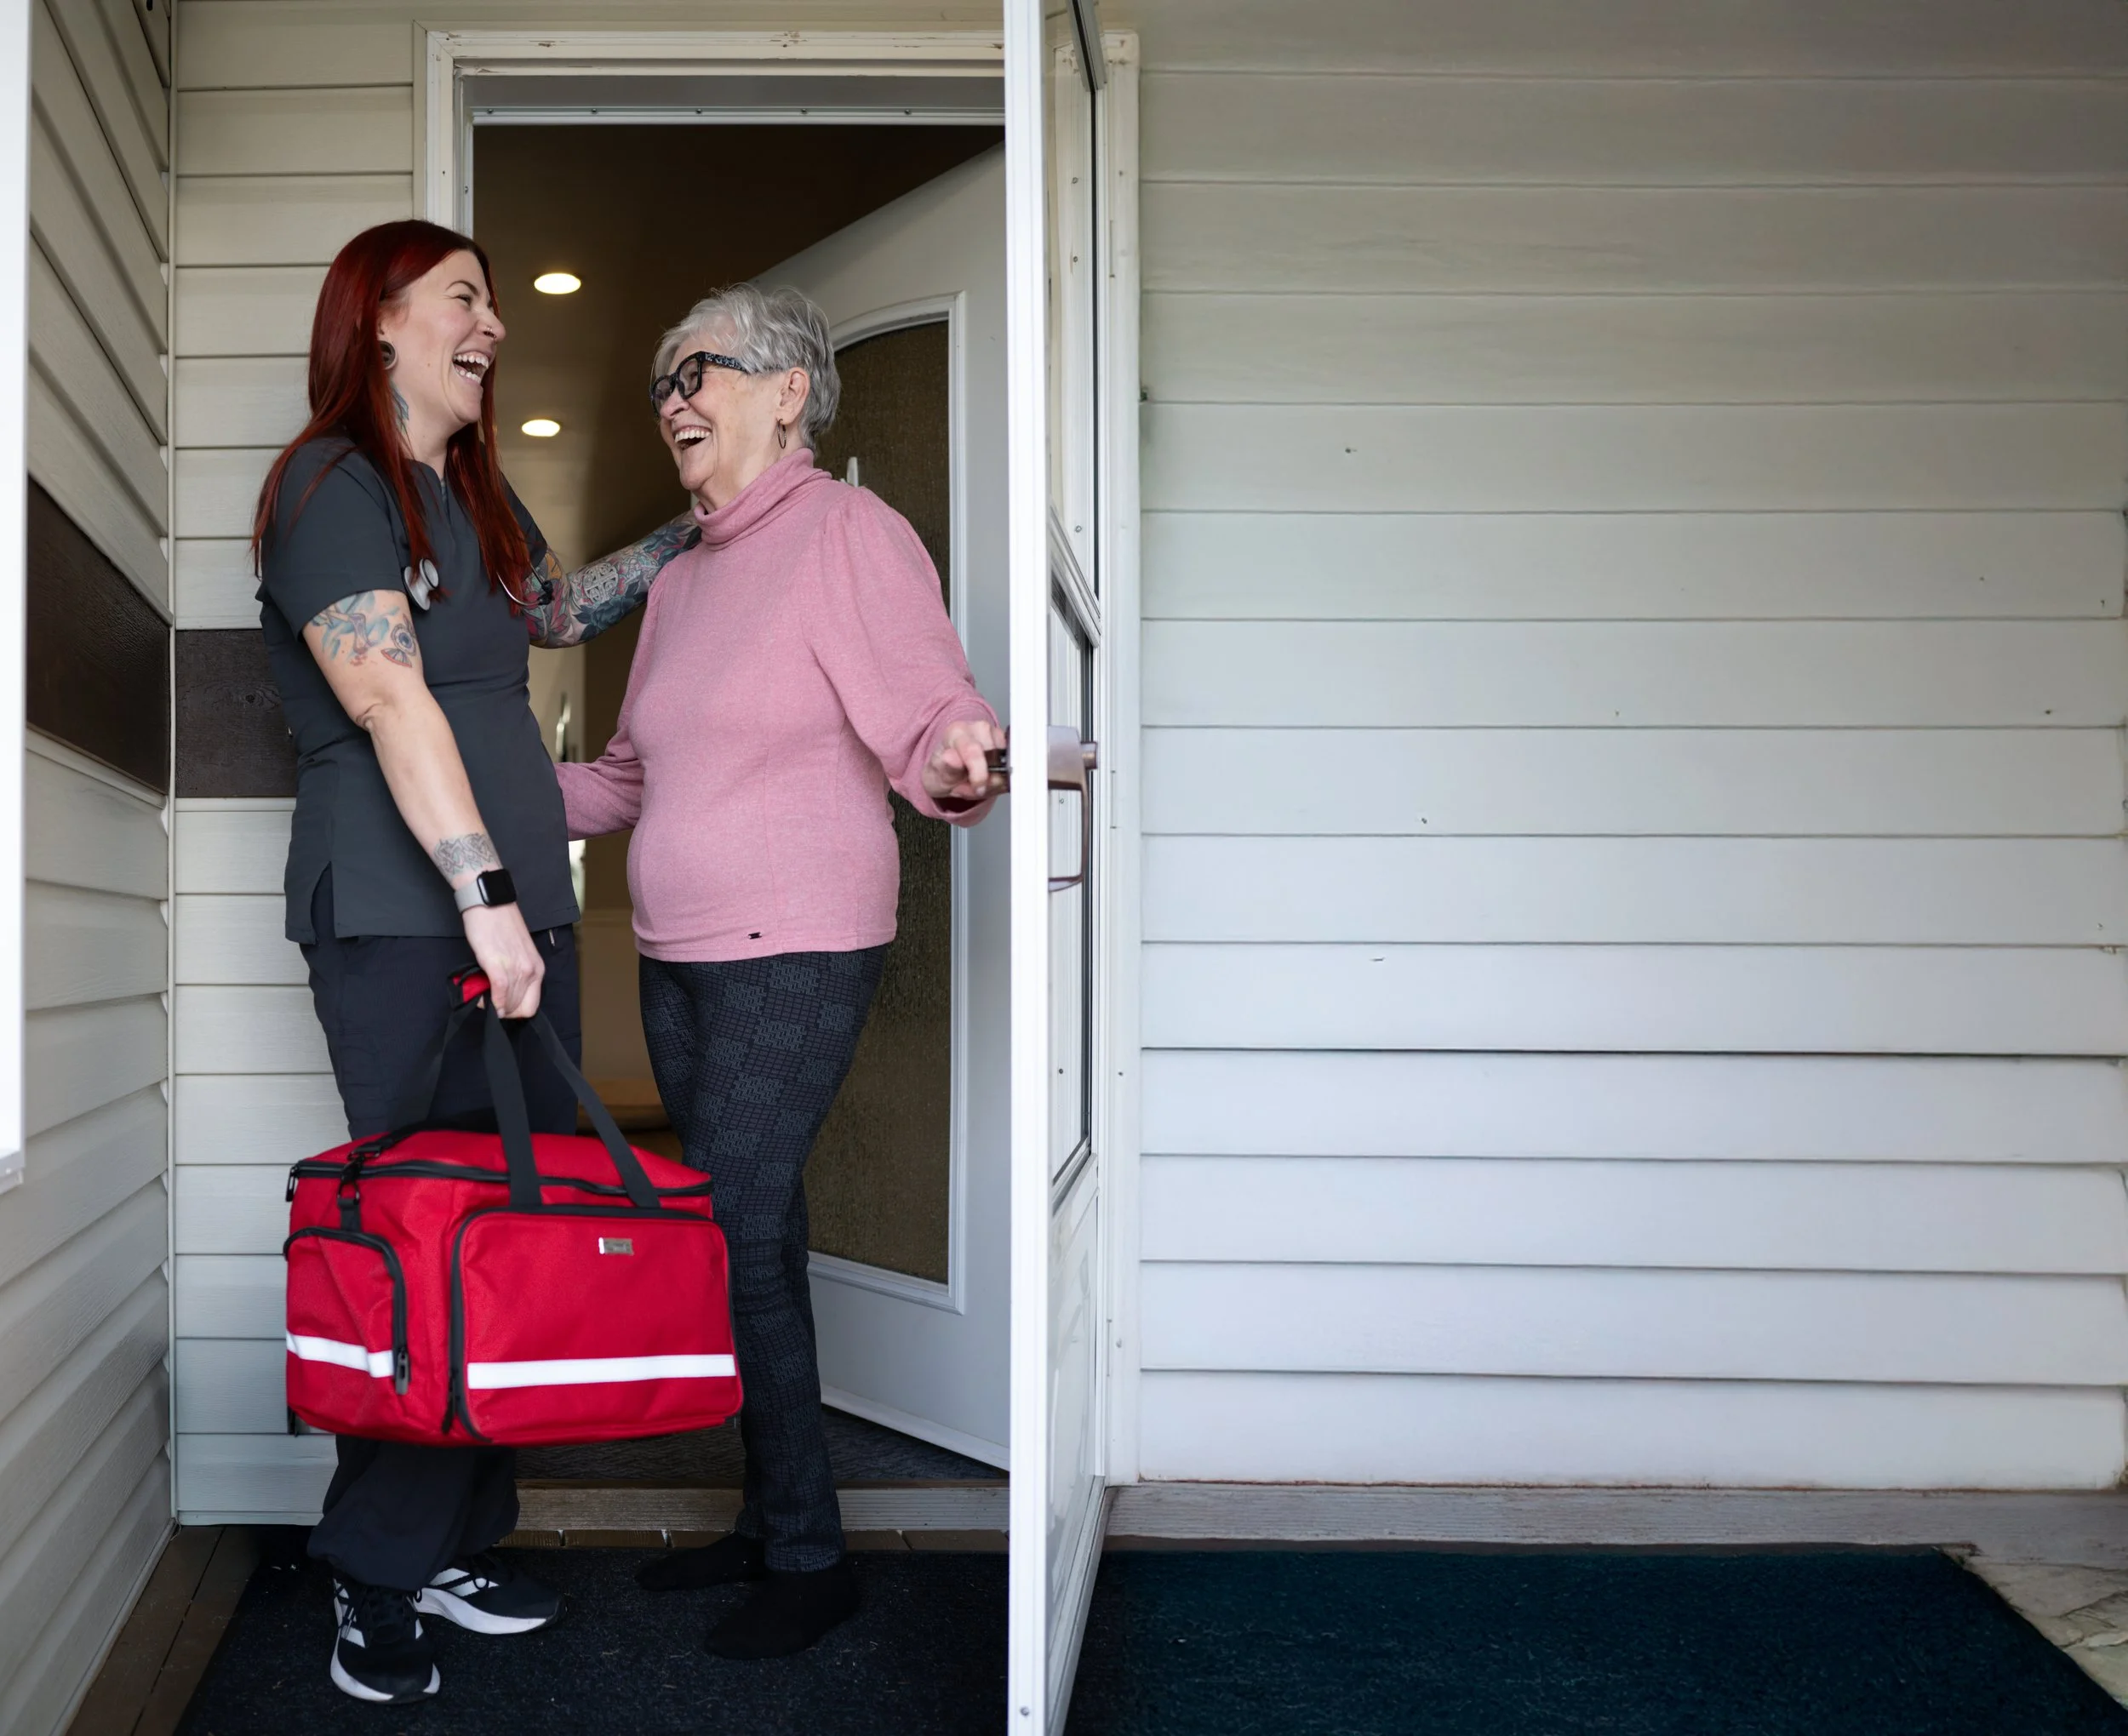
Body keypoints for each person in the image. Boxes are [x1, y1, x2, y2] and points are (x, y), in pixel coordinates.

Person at [252, 219, 692, 1706]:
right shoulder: (335, 484)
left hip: (515, 920)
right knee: (427, 1233)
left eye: (493, 303)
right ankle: (371, 1576)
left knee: (502, 1228)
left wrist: (712, 523)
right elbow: (385, 697)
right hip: (409, 919)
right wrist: (489, 899)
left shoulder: (474, 493)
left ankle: (444, 1533)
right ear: (377, 321)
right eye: (462, 299)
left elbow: (561, 618)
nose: (490, 323)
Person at [556, 283, 1006, 1660]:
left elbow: (932, 701)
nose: (674, 400)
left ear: (788, 390)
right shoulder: (683, 579)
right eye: (661, 384)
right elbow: (629, 775)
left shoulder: (847, 533)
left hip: (799, 944)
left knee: (737, 1232)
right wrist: (456, 780)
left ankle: (811, 1558)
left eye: (699, 370)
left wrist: (954, 753)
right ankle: (770, 1522)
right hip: (683, 955)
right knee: (759, 1235)